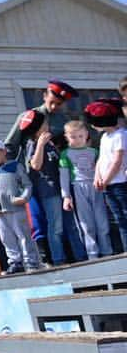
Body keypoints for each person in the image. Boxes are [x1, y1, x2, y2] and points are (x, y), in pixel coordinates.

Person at [27, 109, 87, 265]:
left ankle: (80, 257)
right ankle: (58, 259)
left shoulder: (51, 144)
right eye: (44, 124)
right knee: (56, 227)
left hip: (63, 189)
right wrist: (40, 144)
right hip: (49, 191)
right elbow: (35, 165)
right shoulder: (32, 144)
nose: (47, 126)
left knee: (72, 226)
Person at [0, 138, 39, 273]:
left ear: (4, 152)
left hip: (15, 208)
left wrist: (23, 198)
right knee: (6, 237)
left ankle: (31, 261)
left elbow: (27, 185)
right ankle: (15, 262)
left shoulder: (15, 166)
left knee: (23, 235)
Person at [60, 120, 111, 258]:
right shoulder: (65, 154)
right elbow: (64, 176)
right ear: (66, 137)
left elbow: (102, 169)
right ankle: (92, 253)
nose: (77, 140)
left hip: (96, 187)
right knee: (86, 224)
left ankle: (107, 251)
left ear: (86, 134)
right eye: (73, 137)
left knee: (102, 221)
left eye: (80, 136)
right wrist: (66, 196)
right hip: (78, 188)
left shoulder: (94, 152)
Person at [91, 99, 127, 251]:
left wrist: (106, 179)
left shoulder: (121, 135)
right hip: (108, 185)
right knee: (118, 218)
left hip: (120, 183)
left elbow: (117, 161)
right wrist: (97, 177)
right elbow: (101, 159)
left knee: (125, 214)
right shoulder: (104, 137)